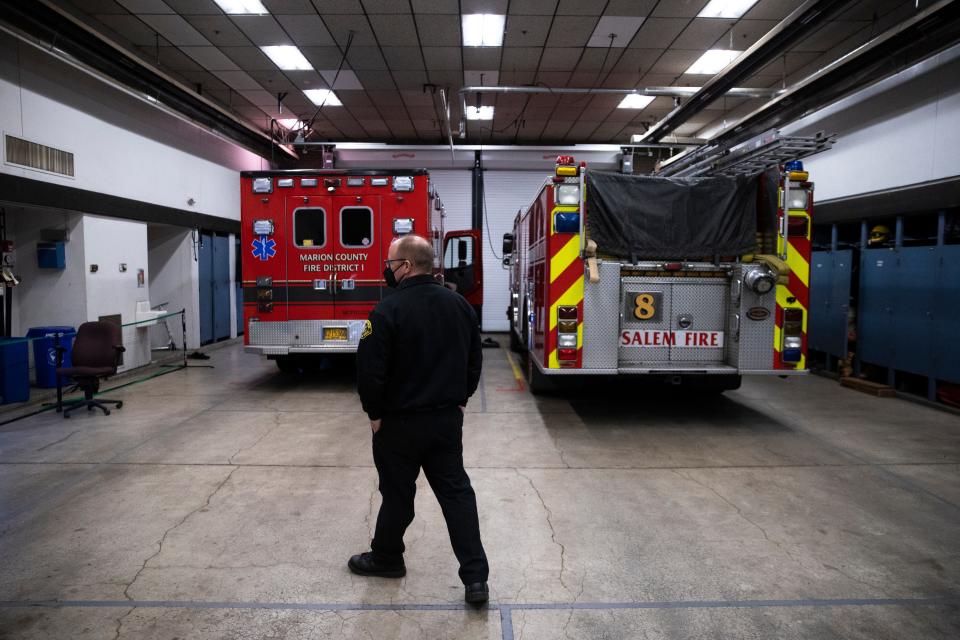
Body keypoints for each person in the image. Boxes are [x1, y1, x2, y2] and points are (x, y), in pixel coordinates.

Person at [351, 234, 490, 605]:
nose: (387, 268)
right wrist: (460, 400)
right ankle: (476, 580)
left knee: (397, 494)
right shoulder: (460, 306)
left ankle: (387, 558)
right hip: (445, 422)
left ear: (406, 267)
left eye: (390, 262)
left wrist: (375, 414)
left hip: (398, 425)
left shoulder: (386, 311)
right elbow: (474, 360)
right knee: (457, 496)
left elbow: (370, 371)